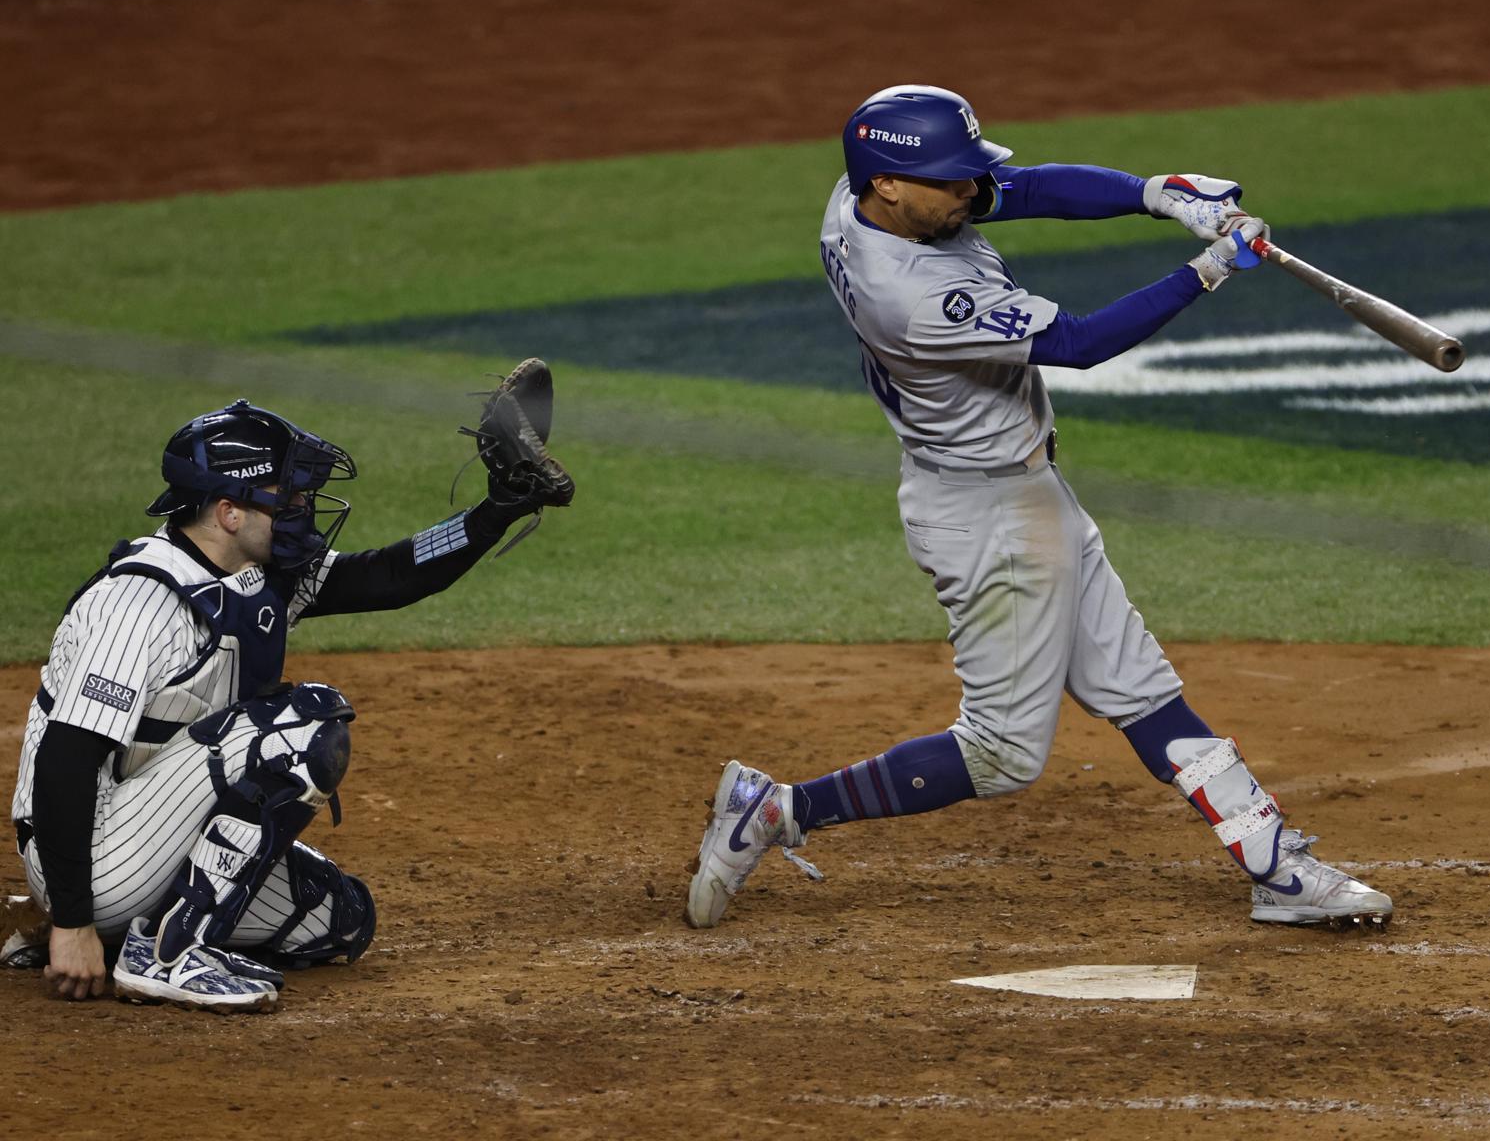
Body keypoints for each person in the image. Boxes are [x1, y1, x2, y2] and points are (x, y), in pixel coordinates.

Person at [686, 85, 1391, 931]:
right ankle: (776, 810)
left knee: (1140, 691)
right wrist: (1204, 269)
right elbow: (1082, 344)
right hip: (986, 518)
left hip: (1022, 492)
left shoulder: (864, 198)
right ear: (890, 187)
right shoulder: (908, 293)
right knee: (1002, 752)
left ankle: (1275, 868)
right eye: (950, 182)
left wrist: (1157, 192)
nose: (970, 195)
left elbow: (1023, 191)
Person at [12, 383, 572, 1011]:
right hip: (91, 852)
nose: (306, 507)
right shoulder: (137, 604)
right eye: (290, 496)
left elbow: (390, 575)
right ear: (229, 512)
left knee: (337, 917)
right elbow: (64, 761)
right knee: (302, 727)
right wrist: (72, 922)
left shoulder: (257, 577)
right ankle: (168, 955)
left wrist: (497, 508)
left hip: (150, 840)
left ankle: (130, 938)